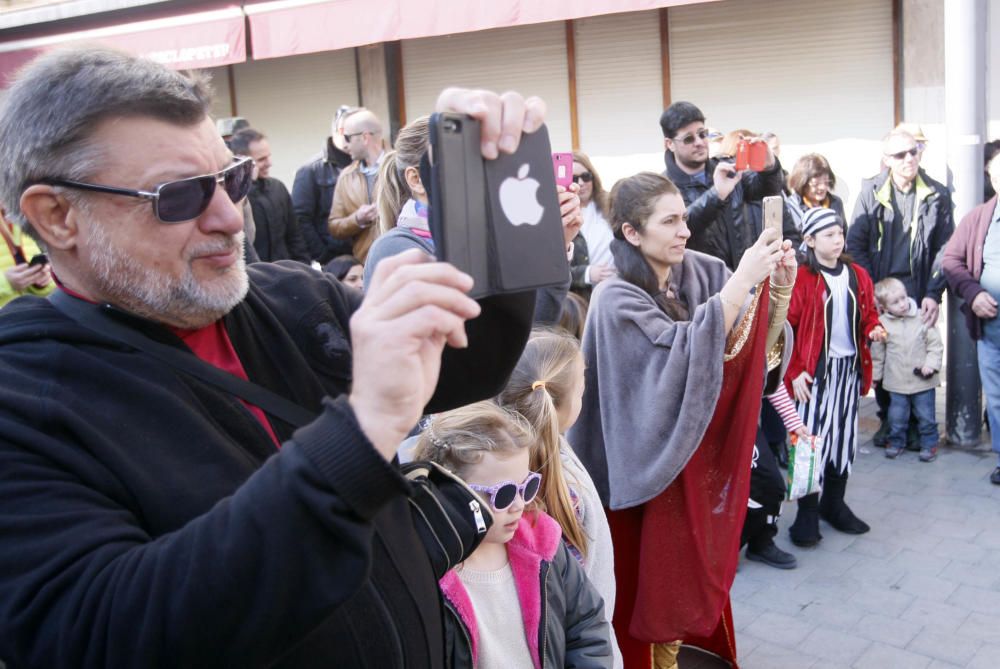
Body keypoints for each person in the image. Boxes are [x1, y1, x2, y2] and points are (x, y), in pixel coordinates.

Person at [0, 45, 549, 668]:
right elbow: (111, 632)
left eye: (232, 180)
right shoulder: (22, 400)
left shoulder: (291, 296)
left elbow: (469, 370)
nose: (230, 218)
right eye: (178, 197)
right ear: (57, 216)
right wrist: (360, 433)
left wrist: (485, 186)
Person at [569, 171, 795, 667]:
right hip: (641, 481)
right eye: (669, 221)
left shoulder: (706, 271)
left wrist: (776, 293)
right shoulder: (614, 297)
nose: (683, 231)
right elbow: (674, 362)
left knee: (692, 586)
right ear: (632, 232)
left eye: (683, 219)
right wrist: (740, 285)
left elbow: (745, 348)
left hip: (697, 464)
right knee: (645, 599)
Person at [413, 401, 613, 669]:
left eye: (527, 486)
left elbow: (587, 625)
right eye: (503, 494)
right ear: (448, 489)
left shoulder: (544, 545)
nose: (519, 504)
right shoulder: (425, 566)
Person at [364, 115, 582, 326]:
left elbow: (537, 326)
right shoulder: (394, 249)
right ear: (416, 179)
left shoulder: (487, 241)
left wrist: (555, 243)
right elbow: (473, 343)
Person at [497, 328, 623, 667]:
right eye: (581, 389)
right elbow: (578, 608)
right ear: (563, 406)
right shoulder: (565, 490)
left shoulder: (490, 470)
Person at [784, 208, 886, 548]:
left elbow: (868, 313)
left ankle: (834, 502)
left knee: (843, 436)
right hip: (813, 375)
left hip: (848, 371)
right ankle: (807, 512)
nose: (838, 239)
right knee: (810, 438)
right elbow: (785, 329)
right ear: (809, 240)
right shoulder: (802, 278)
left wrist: (874, 329)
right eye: (828, 234)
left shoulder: (857, 274)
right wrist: (795, 370)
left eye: (839, 232)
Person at [846, 129, 954, 447]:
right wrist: (872, 292)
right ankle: (889, 420)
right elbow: (856, 244)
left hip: (918, 287)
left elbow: (945, 247)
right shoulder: (871, 192)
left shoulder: (936, 193)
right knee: (884, 353)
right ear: (887, 160)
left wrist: (934, 293)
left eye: (913, 151)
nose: (908, 159)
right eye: (900, 154)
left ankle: (917, 425)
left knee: (918, 352)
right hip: (881, 288)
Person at [660, 101, 785, 269]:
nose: (698, 142)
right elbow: (678, 230)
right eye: (688, 138)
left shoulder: (727, 167)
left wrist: (770, 166)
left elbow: (768, 190)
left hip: (744, 276)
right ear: (670, 144)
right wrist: (716, 195)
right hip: (701, 284)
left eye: (702, 134)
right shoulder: (664, 187)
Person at [941, 152, 1000, 484]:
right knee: (997, 400)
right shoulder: (979, 219)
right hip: (992, 332)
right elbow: (951, 260)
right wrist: (974, 293)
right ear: (992, 179)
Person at [870, 277, 943, 461]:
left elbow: (935, 345)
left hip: (922, 381)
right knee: (896, 417)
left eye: (903, 298)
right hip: (896, 381)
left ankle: (929, 443)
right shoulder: (882, 324)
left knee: (926, 417)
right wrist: (876, 376)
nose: (902, 304)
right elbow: (878, 352)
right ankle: (896, 442)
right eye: (895, 302)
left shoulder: (921, 317)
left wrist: (931, 365)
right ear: (885, 307)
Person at [229, 128, 310, 263]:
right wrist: (248, 184)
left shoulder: (278, 188)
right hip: (255, 275)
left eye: (268, 156)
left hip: (285, 271)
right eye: (261, 159)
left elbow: (294, 236)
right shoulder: (234, 196)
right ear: (243, 161)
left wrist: (303, 265)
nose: (269, 163)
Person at [292, 104, 356, 264]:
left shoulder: (367, 164)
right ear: (341, 131)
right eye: (357, 133)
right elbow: (301, 218)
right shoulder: (311, 170)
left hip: (366, 252)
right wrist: (324, 256)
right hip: (335, 259)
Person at [328, 108, 385, 263]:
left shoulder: (399, 168)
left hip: (401, 261)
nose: (345, 145)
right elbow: (334, 226)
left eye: (347, 137)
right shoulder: (346, 176)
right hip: (365, 265)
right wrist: (357, 219)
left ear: (365, 137)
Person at [569, 152, 615, 300]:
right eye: (574, 178)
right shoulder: (559, 215)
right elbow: (551, 271)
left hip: (616, 293)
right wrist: (587, 273)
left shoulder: (612, 204)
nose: (581, 183)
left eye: (586, 176)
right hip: (583, 301)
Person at [0, 209, 53, 307]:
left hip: (28, 315)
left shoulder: (19, 220)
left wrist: (42, 281)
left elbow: (46, 291)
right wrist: (6, 283)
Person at [785, 153, 846, 233]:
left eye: (826, 182)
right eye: (816, 184)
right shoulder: (791, 207)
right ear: (802, 183)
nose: (822, 187)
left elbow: (845, 234)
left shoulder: (836, 202)